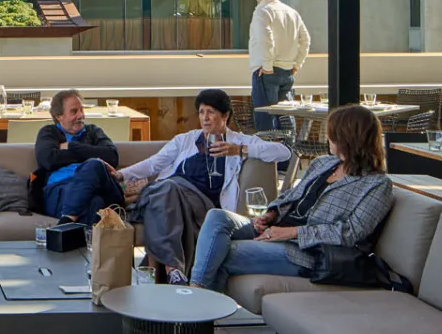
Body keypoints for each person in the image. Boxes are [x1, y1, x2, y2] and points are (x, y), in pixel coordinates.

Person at [191, 104, 394, 291]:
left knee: (222, 251)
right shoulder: (323, 163)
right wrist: (271, 214)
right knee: (217, 217)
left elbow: (350, 233)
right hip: (278, 229)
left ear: (348, 139)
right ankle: (197, 305)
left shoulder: (376, 184)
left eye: (332, 135)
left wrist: (291, 233)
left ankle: (193, 308)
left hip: (307, 252)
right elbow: (291, 195)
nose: (327, 139)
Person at [118, 89, 292, 285]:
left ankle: (166, 268)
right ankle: (173, 269)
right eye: (201, 112)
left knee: (165, 192)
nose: (205, 118)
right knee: (166, 190)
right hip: (169, 192)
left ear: (225, 115)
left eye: (211, 112)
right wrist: (121, 174)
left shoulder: (237, 141)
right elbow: (154, 164)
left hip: (201, 202)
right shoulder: (186, 139)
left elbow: (283, 152)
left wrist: (240, 150)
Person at [33, 90, 123, 225]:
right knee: (95, 203)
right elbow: (48, 160)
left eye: (82, 110)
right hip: (61, 189)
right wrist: (88, 153)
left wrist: (72, 146)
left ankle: (66, 221)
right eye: (74, 111)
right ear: (59, 116)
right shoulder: (49, 132)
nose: (80, 115)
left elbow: (112, 157)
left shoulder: (93, 131)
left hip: (101, 188)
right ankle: (88, 242)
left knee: (94, 165)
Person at [249, 0, 310, 130]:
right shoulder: (292, 13)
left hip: (267, 72)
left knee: (265, 123)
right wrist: (297, 64)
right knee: (286, 120)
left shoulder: (262, 11)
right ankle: (290, 153)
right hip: (287, 71)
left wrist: (267, 66)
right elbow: (305, 40)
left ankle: (268, 154)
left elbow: (266, 40)